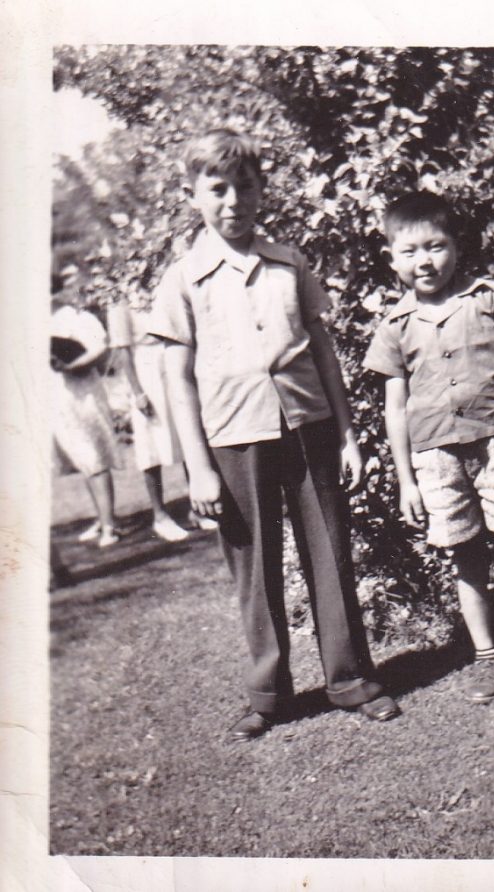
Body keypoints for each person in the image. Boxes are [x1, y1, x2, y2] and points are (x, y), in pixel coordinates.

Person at [148, 128, 400, 740]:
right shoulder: (184, 279)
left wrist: (347, 434)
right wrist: (198, 468)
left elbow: (323, 348)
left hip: (308, 425)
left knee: (330, 556)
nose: (233, 201)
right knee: (253, 569)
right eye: (218, 189)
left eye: (245, 187)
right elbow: (175, 378)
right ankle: (269, 695)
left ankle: (350, 679)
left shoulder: (291, 264)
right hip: (233, 438)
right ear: (193, 196)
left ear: (262, 190)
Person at [364, 191, 494, 704]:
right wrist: (406, 481)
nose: (425, 261)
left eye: (435, 246)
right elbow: (396, 410)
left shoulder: (490, 298)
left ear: (456, 247)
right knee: (465, 561)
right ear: (392, 258)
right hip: (436, 458)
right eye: (410, 251)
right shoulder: (394, 327)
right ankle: (485, 656)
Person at [107, 295, 217, 541]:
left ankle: (199, 508)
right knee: (152, 446)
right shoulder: (118, 299)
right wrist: (137, 392)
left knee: (188, 432)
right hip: (146, 371)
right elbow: (122, 350)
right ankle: (160, 516)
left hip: (174, 361)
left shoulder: (159, 283)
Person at [51, 300, 121, 549]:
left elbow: (99, 349)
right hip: (60, 396)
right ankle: (102, 519)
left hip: (84, 394)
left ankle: (110, 524)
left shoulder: (74, 316)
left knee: (95, 458)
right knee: (83, 458)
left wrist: (71, 365)